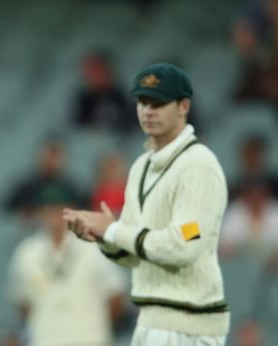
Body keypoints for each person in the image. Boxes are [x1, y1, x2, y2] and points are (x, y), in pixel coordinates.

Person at [63, 63, 230, 345]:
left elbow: (185, 243)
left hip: (190, 325)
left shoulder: (199, 165)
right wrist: (102, 237)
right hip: (150, 319)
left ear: (183, 106)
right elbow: (133, 254)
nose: (148, 110)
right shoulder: (141, 166)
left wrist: (114, 230)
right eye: (142, 101)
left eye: (159, 102)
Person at [9, 188, 125, 346]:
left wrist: (95, 327)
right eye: (48, 209)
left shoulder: (94, 246)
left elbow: (116, 297)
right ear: (39, 212)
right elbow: (23, 304)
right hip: (45, 339)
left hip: (90, 339)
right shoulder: (26, 253)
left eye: (59, 209)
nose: (54, 216)